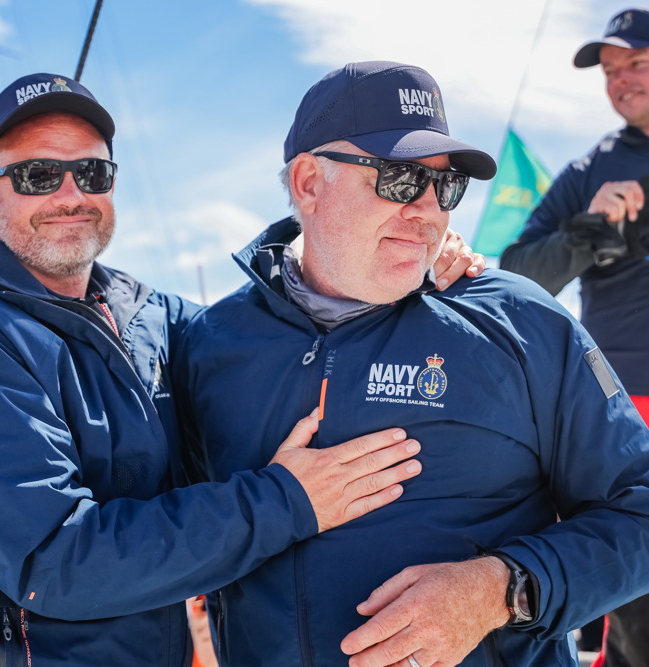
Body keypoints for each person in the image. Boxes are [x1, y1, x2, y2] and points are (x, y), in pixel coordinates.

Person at [0, 71, 503, 666]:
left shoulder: (156, 319)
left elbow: (279, 328)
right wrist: (288, 501)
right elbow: (55, 562)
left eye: (91, 172)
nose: (69, 195)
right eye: (35, 176)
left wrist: (408, 247)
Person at [175, 60, 649, 667]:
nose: (429, 209)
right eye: (400, 179)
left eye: (446, 185)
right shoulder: (209, 343)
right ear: (309, 182)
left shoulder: (518, 321)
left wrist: (503, 589)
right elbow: (152, 536)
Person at [500, 9, 649, 664]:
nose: (620, 81)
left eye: (636, 64)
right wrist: (587, 227)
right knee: (638, 593)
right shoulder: (591, 168)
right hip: (626, 404)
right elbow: (515, 270)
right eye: (611, 72)